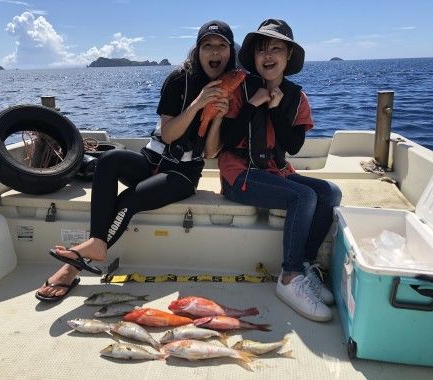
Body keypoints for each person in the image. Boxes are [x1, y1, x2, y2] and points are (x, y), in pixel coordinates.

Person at [35, 20, 236, 301]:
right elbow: (167, 133)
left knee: (130, 199)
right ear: (198, 50)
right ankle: (96, 244)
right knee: (109, 160)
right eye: (208, 45)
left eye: (221, 46)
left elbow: (212, 152)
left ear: (230, 51)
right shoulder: (179, 80)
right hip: (152, 159)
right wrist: (198, 103)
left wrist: (218, 118)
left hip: (182, 175)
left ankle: (73, 267)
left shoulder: (233, 87)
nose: (214, 51)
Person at [210, 19, 342, 322]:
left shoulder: (297, 98)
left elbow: (293, 146)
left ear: (288, 57)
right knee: (304, 197)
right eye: (262, 50)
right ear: (254, 58)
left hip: (276, 173)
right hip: (239, 176)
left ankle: (304, 264)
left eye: (276, 49)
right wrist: (254, 105)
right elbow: (226, 141)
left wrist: (276, 111)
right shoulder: (240, 90)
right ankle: (289, 278)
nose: (268, 56)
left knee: (330, 192)